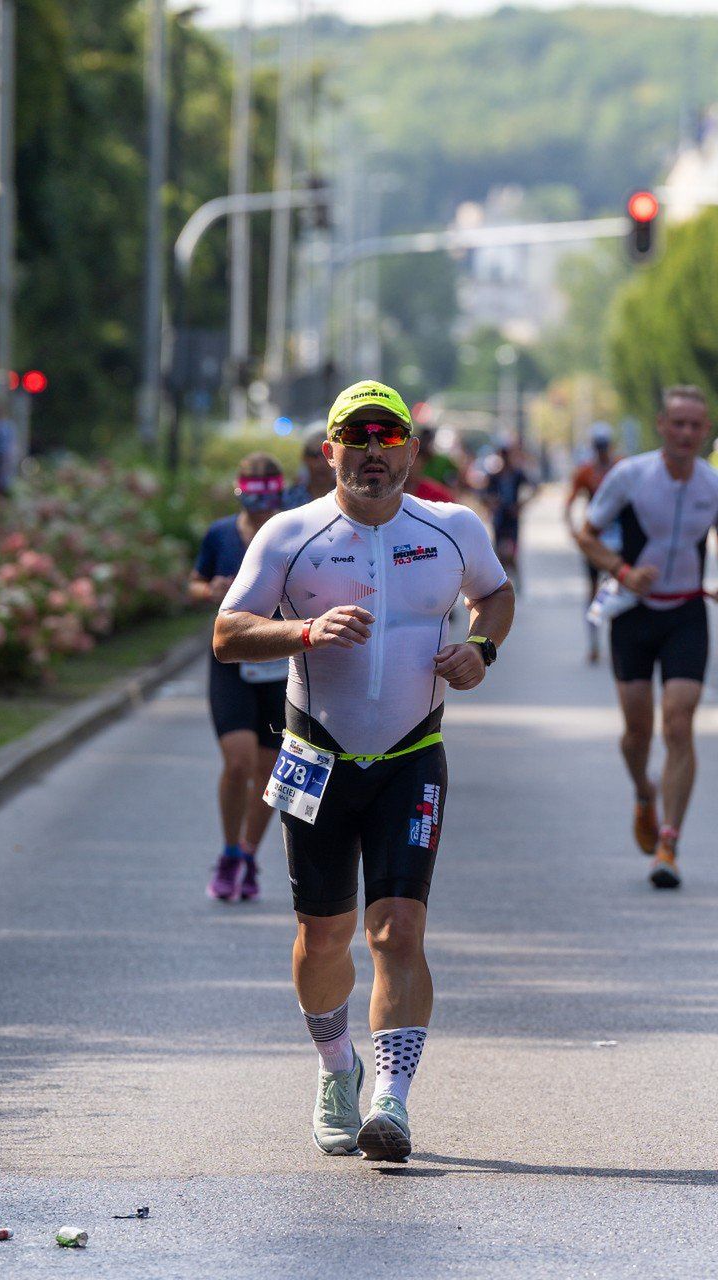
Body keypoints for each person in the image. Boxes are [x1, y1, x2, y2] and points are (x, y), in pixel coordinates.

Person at [214, 379, 515, 1164]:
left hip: (412, 757)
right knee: (322, 937)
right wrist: (305, 632)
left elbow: (495, 594)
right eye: (356, 437)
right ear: (329, 451)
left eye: (388, 437)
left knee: (398, 929)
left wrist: (480, 649)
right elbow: (227, 633)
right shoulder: (290, 534)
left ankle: (391, 1100)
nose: (372, 451)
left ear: (412, 450)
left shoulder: (452, 528)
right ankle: (334, 1068)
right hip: (314, 756)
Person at [573, 386, 718, 890]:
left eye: (695, 425)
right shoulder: (631, 476)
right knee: (637, 733)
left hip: (687, 612)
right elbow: (587, 534)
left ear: (705, 431)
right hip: (634, 613)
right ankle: (644, 793)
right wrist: (622, 571)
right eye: (678, 423)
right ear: (661, 426)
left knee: (679, 723)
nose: (686, 433)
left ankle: (668, 842)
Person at [191, 453, 291, 903]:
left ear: (280, 492)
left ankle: (249, 855)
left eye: (268, 493)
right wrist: (208, 589)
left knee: (270, 771)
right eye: (252, 493)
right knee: (238, 762)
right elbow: (194, 581)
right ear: (239, 490)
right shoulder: (220, 534)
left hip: (279, 664)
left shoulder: (291, 533)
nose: (260, 504)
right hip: (231, 663)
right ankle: (229, 852)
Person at [566, 422, 621, 664]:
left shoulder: (621, 467)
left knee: (619, 589)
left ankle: (617, 640)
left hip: (619, 538)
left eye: (604, 446)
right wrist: (574, 531)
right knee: (593, 590)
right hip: (595, 539)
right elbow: (569, 503)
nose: (601, 451)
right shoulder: (586, 471)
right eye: (598, 446)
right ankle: (594, 641)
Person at [479, 438, 533, 590]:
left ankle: (516, 579)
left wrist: (521, 505)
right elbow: (483, 495)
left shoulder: (517, 474)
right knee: (499, 551)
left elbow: (534, 488)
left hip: (512, 518)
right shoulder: (494, 476)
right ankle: (502, 582)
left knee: (512, 551)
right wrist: (491, 504)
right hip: (499, 517)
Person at [282, 428, 335, 508]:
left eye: (326, 455)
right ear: (304, 458)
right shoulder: (290, 498)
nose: (321, 464)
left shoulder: (348, 497)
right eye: (314, 455)